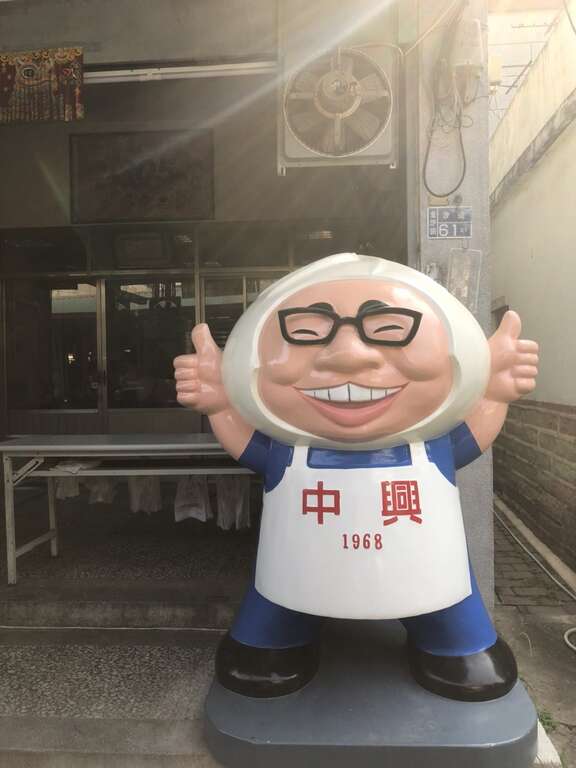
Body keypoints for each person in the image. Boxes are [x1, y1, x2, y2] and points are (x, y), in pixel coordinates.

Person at [174, 253, 539, 702]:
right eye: (307, 332)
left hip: (428, 573)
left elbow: (473, 436)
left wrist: (494, 391)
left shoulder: (429, 446)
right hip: (295, 574)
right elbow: (247, 445)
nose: (347, 356)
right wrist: (220, 403)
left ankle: (455, 641)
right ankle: (272, 638)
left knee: (446, 607)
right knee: (277, 606)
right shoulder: (290, 449)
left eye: (389, 329)